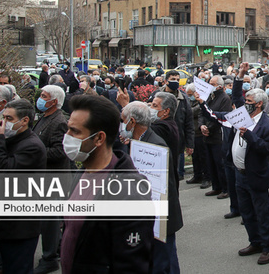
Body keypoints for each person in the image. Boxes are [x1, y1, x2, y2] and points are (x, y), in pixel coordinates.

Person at [60, 95, 154, 273]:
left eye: (75, 132)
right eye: (68, 130)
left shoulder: (129, 192)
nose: (67, 138)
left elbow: (133, 264)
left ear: (99, 138)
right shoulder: (82, 173)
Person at [198, 63, 269, 265]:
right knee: (247, 212)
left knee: (261, 213)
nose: (245, 103)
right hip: (239, 174)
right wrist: (240, 76)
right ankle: (255, 242)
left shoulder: (266, 125)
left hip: (256, 176)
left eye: (249, 101)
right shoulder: (242, 115)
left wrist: (250, 137)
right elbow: (235, 97)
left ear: (258, 104)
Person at [0, 99, 47, 274]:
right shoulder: (16, 140)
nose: (3, 123)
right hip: (9, 222)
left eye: (9, 119)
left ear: (24, 120)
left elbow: (5, 169)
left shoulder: (31, 146)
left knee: (19, 268)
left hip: (20, 225)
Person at [120, 101, 183, 274]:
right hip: (148, 214)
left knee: (164, 261)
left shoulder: (155, 146)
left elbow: (163, 188)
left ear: (132, 122)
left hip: (159, 216)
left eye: (123, 120)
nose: (121, 124)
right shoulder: (138, 141)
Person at [32, 85, 70, 274]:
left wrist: (32, 152)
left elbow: (59, 152)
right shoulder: (44, 117)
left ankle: (50, 258)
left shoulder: (59, 122)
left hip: (53, 179)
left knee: (50, 222)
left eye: (44, 96)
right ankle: (53, 251)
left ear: (54, 101)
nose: (40, 98)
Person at [199, 75, 232, 198]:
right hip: (207, 135)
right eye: (209, 83)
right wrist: (202, 125)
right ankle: (216, 187)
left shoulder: (225, 99)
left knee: (220, 163)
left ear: (219, 86)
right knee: (211, 162)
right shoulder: (209, 97)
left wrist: (209, 128)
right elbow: (203, 112)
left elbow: (221, 117)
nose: (210, 86)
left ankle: (225, 188)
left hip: (217, 135)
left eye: (212, 84)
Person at [184, 84, 211, 188]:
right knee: (195, 156)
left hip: (200, 133)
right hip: (193, 133)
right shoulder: (190, 101)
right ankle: (197, 175)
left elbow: (192, 112)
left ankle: (207, 178)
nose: (189, 96)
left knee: (203, 157)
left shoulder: (202, 102)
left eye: (190, 94)